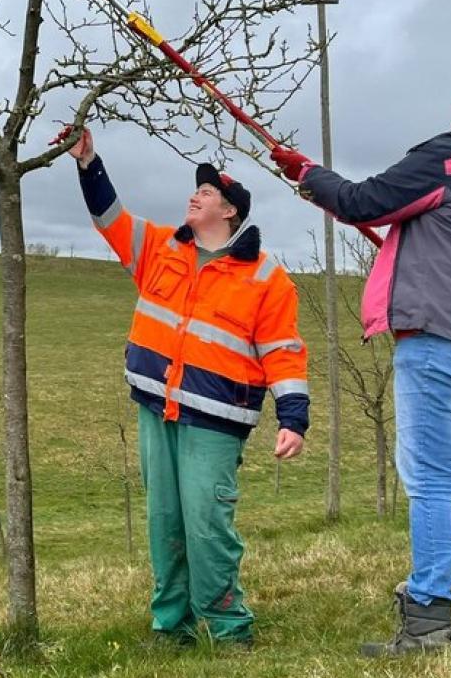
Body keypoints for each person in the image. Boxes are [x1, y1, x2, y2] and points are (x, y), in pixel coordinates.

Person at [270, 70, 451, 656]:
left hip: (444, 340)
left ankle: (425, 621)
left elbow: (363, 202)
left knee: (430, 482)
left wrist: (306, 174)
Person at [66, 127, 308, 646]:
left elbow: (283, 350)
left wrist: (293, 418)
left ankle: (227, 627)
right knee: (164, 523)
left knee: (206, 525)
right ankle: (170, 626)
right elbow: (110, 217)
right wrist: (89, 163)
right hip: (157, 408)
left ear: (230, 213)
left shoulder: (267, 278)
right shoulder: (160, 248)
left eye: (209, 193)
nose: (195, 195)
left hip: (216, 420)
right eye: (196, 190)